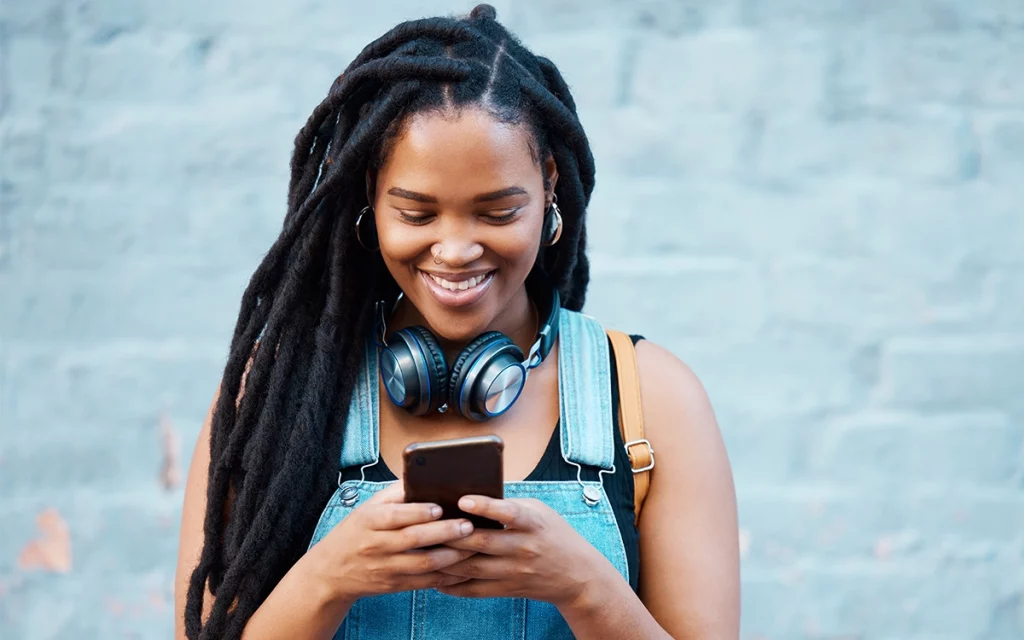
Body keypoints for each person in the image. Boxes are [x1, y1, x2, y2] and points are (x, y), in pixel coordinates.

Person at [174, 5, 740, 639]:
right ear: (371, 194)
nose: (454, 250)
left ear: (550, 184)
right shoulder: (275, 396)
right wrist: (328, 577)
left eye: (497, 212)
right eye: (417, 214)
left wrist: (584, 586)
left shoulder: (654, 398)